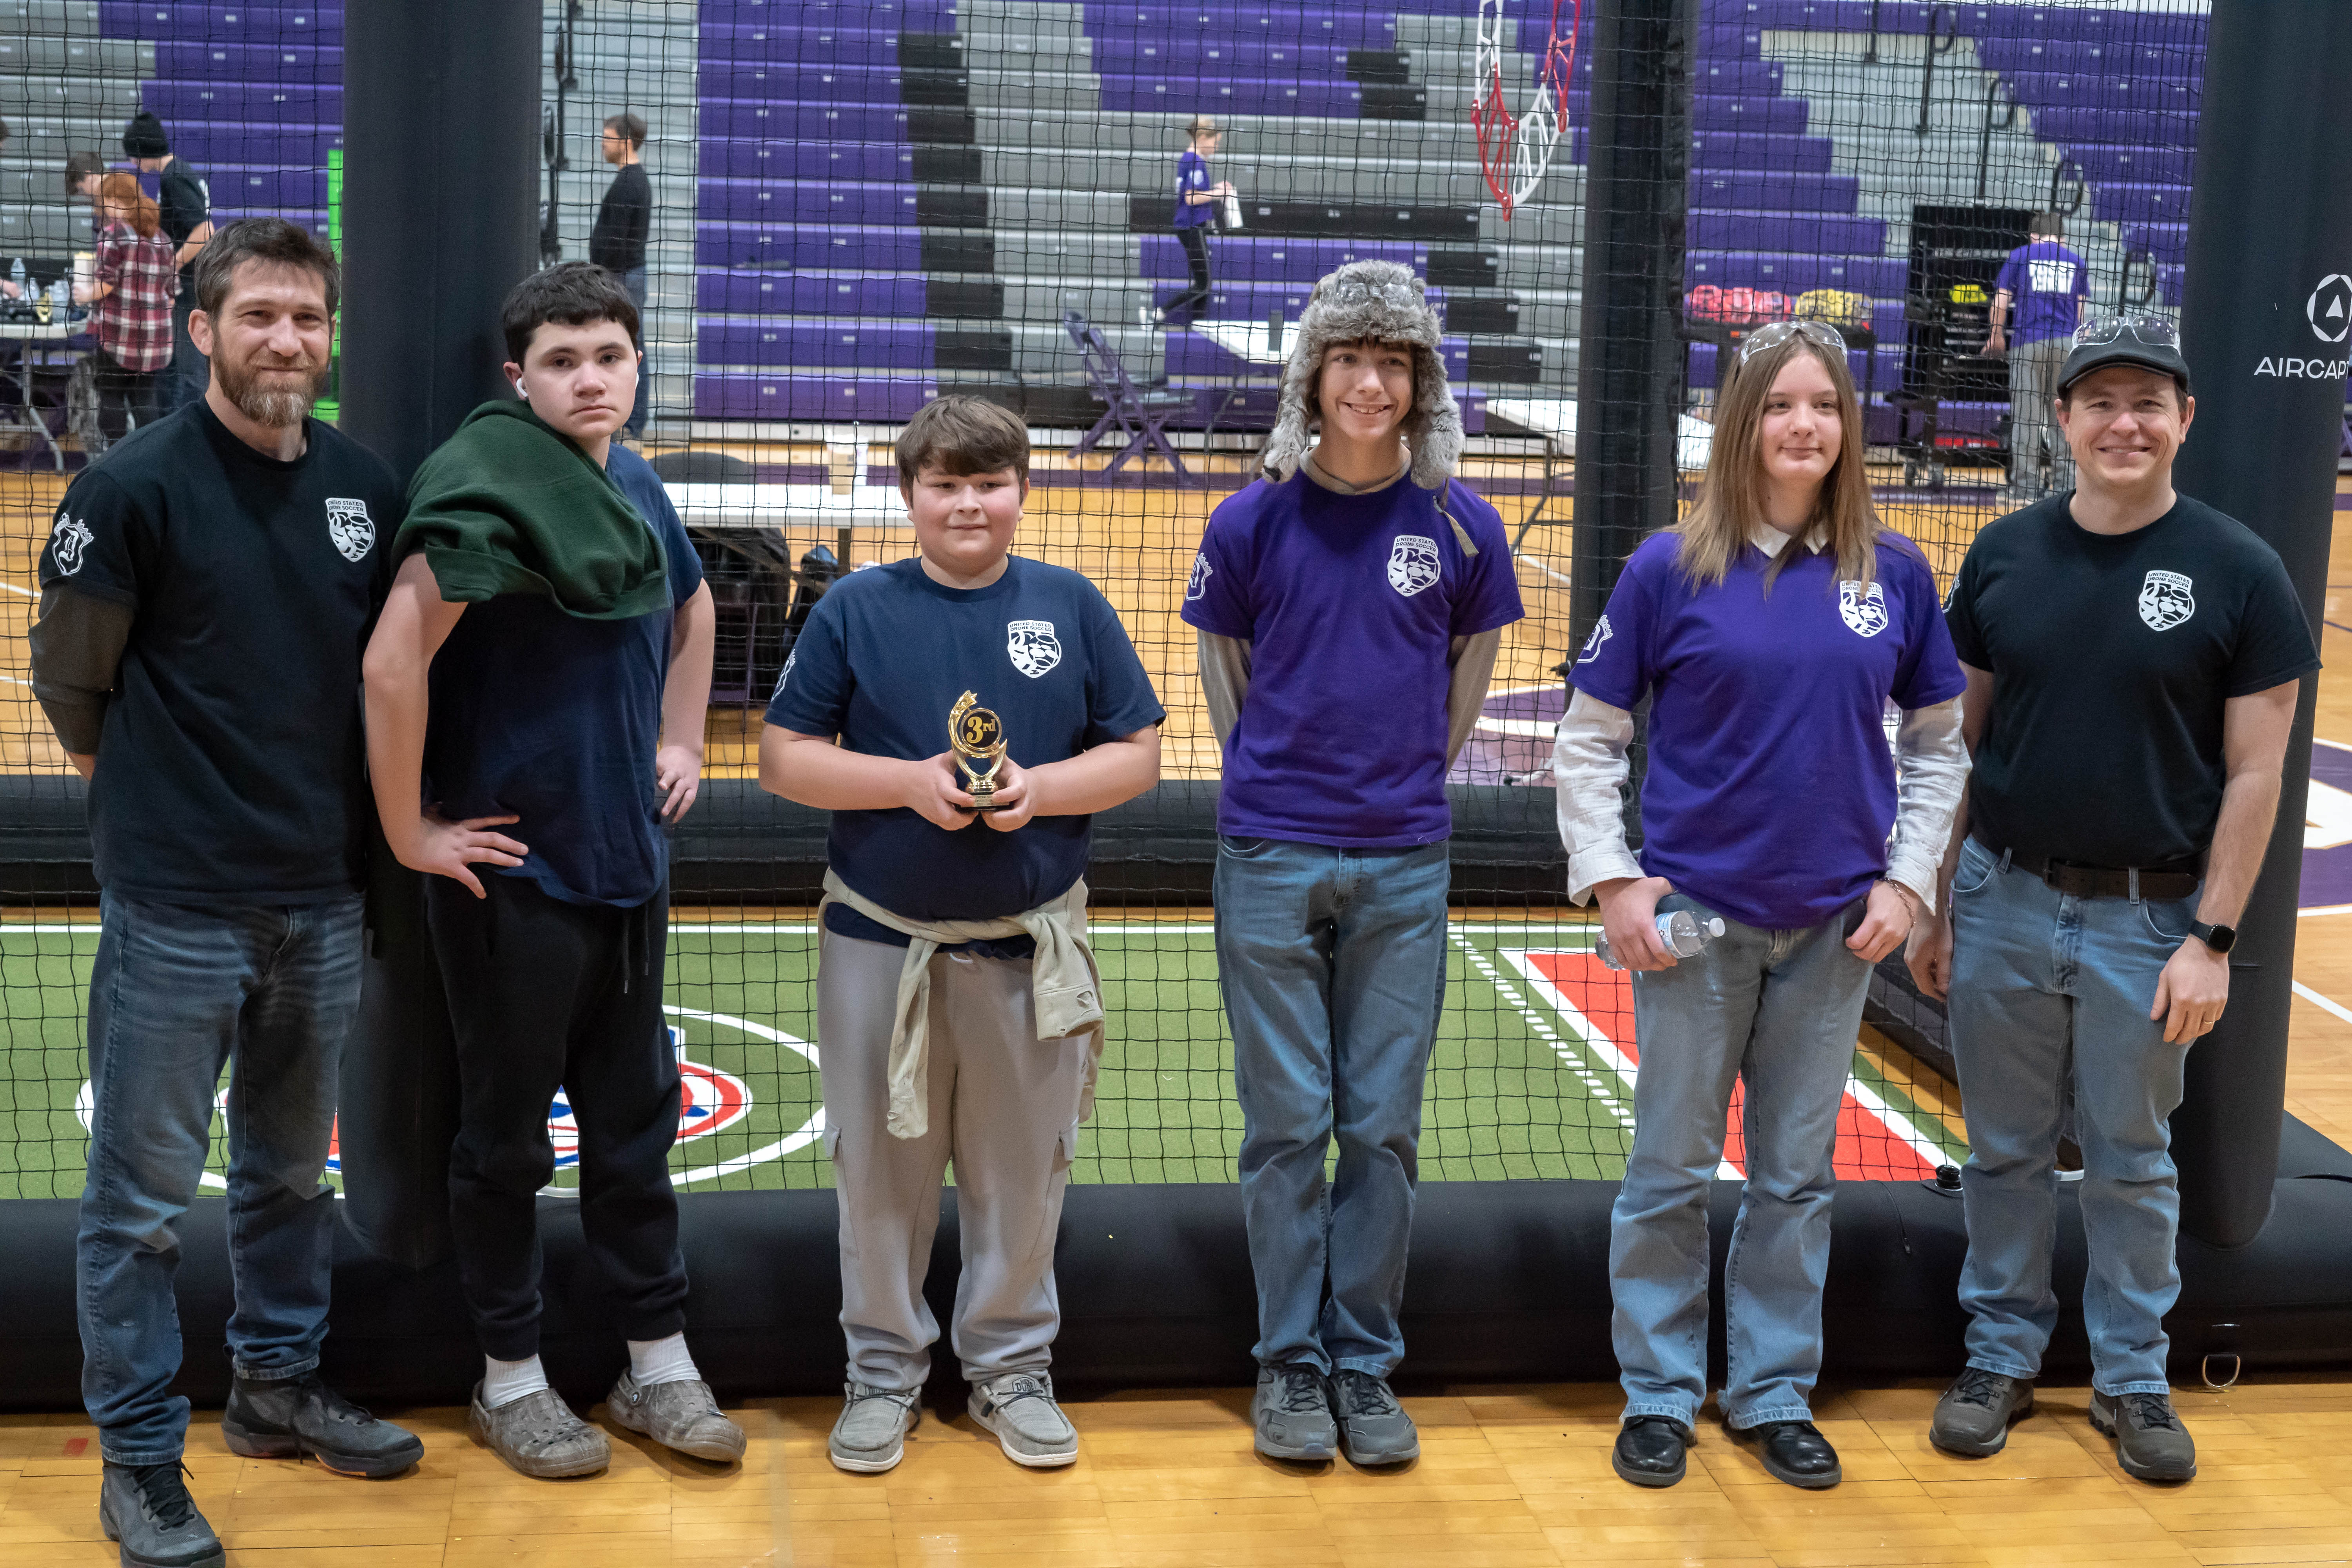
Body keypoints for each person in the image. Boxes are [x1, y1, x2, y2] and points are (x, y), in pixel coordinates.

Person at [31, 217, 424, 1568]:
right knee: (137, 1203)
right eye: (257, 316)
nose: (286, 342)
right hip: (177, 904)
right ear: (200, 329)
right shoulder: (129, 490)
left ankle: (272, 1388)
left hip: (320, 899)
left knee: (283, 1178)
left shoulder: (365, 487)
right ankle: (139, 1460)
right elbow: (71, 688)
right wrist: (161, 795)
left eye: (306, 320)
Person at [1557, 320, 1969, 1492]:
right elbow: (1587, 743)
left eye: (1824, 406)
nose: (1803, 425)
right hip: (1694, 918)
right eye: (1780, 404)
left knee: (1795, 1171)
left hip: (1836, 928)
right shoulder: (1665, 569)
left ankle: (1774, 1385)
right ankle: (1657, 1393)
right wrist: (1614, 876)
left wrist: (1904, 878)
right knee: (1670, 1166)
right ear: (1740, 423)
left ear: (1847, 427)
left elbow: (1938, 746)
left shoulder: (1890, 574)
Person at [1909, 316, 2316, 1483]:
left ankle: (2131, 1377)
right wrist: (1937, 904)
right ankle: (1998, 1354)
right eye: (2099, 403)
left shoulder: (2240, 570)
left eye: (2146, 402)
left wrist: (2209, 940)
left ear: (2184, 419)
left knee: (2133, 1157)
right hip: (2003, 897)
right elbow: (1955, 744)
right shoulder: (2000, 555)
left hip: (2149, 920)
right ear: (2063, 421)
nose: (2122, 423)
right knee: (2002, 1151)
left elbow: (2255, 772)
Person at [362, 261, 738, 1480]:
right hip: (514, 873)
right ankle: (510, 1380)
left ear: (637, 366)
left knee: (636, 1128)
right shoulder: (482, 487)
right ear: (516, 375)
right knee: (506, 1143)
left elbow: (693, 614)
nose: (591, 378)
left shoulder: (634, 481)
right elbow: (390, 664)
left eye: (610, 357)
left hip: (626, 858)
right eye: (564, 361)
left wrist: (681, 738)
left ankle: (656, 1364)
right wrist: (411, 827)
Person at [761, 395, 1163, 1475]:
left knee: (1023, 1173)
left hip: (1029, 946)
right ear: (911, 497)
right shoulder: (856, 607)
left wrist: (1036, 789)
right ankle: (882, 1376)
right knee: (877, 1173)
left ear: (1024, 491)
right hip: (878, 942)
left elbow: (1137, 755)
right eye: (946, 484)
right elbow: (784, 759)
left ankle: (1010, 1371)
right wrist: (906, 784)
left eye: (989, 483)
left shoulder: (1070, 605)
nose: (970, 503)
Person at [1182, 261, 1523, 1466]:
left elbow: (1468, 675)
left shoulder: (1460, 523)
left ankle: (1364, 1366)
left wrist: (1392, 783)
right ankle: (1286, 1364)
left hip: (1401, 861)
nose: (1369, 383)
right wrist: (1274, 781)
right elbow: (1223, 667)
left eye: (1392, 362)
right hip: (1268, 852)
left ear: (1417, 381)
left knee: (1379, 1127)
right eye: (1348, 360)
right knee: (1286, 1125)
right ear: (1311, 378)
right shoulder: (1249, 517)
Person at [1984, 213, 2089, 497]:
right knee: (2065, 418)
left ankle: (2026, 487)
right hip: (2067, 346)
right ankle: (2067, 487)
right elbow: (2081, 313)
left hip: (2028, 343)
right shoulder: (2076, 261)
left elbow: (2001, 301)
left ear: (2032, 235)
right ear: (2063, 238)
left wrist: (1996, 336)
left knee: (2027, 418)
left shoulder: (2020, 256)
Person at [74, 173, 178, 446]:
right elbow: (172, 296)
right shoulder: (163, 238)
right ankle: (150, 452)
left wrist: (85, 295)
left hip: (118, 334)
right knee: (145, 396)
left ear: (114, 200)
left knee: (110, 394)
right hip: (155, 338)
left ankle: (117, 453)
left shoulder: (113, 235)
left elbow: (107, 284)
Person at [122, 111, 211, 413]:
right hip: (189, 284)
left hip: (191, 286)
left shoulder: (174, 176)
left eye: (133, 156)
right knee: (177, 369)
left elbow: (205, 230)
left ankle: (194, 435)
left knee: (189, 370)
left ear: (142, 151)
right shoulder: (176, 172)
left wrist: (173, 264)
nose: (133, 164)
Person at [588, 112, 651, 437]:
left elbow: (615, 239)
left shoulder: (630, 183)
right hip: (622, 276)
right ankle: (632, 422)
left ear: (625, 142)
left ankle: (633, 424)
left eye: (608, 138)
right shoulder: (629, 179)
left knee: (631, 345)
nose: (603, 144)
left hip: (623, 277)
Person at [1156, 115, 1232, 329]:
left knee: (1203, 280)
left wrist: (1215, 190)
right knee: (1203, 283)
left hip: (1190, 226)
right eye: (1216, 143)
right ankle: (1161, 313)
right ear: (1203, 138)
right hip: (1192, 226)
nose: (1216, 148)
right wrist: (1219, 194)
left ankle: (1198, 322)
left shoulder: (1189, 160)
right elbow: (1191, 198)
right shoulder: (1194, 161)